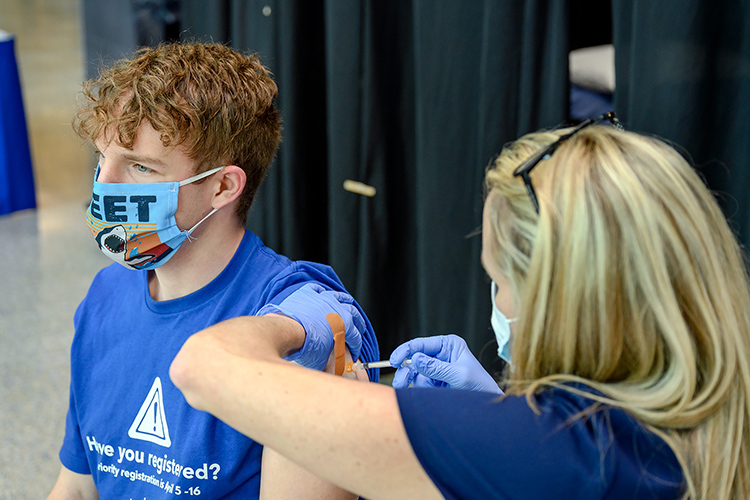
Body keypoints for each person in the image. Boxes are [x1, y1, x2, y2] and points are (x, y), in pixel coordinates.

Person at [169, 115, 750, 499]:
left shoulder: (547, 447)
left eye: (499, 283)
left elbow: (202, 368)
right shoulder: (710, 415)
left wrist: (290, 323)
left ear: (558, 302)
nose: (495, 302)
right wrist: (496, 406)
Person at [47, 42, 379, 500]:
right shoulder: (105, 296)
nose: (104, 187)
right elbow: (78, 488)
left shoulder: (287, 325)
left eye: (140, 167)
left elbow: (328, 315)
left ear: (223, 186)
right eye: (103, 159)